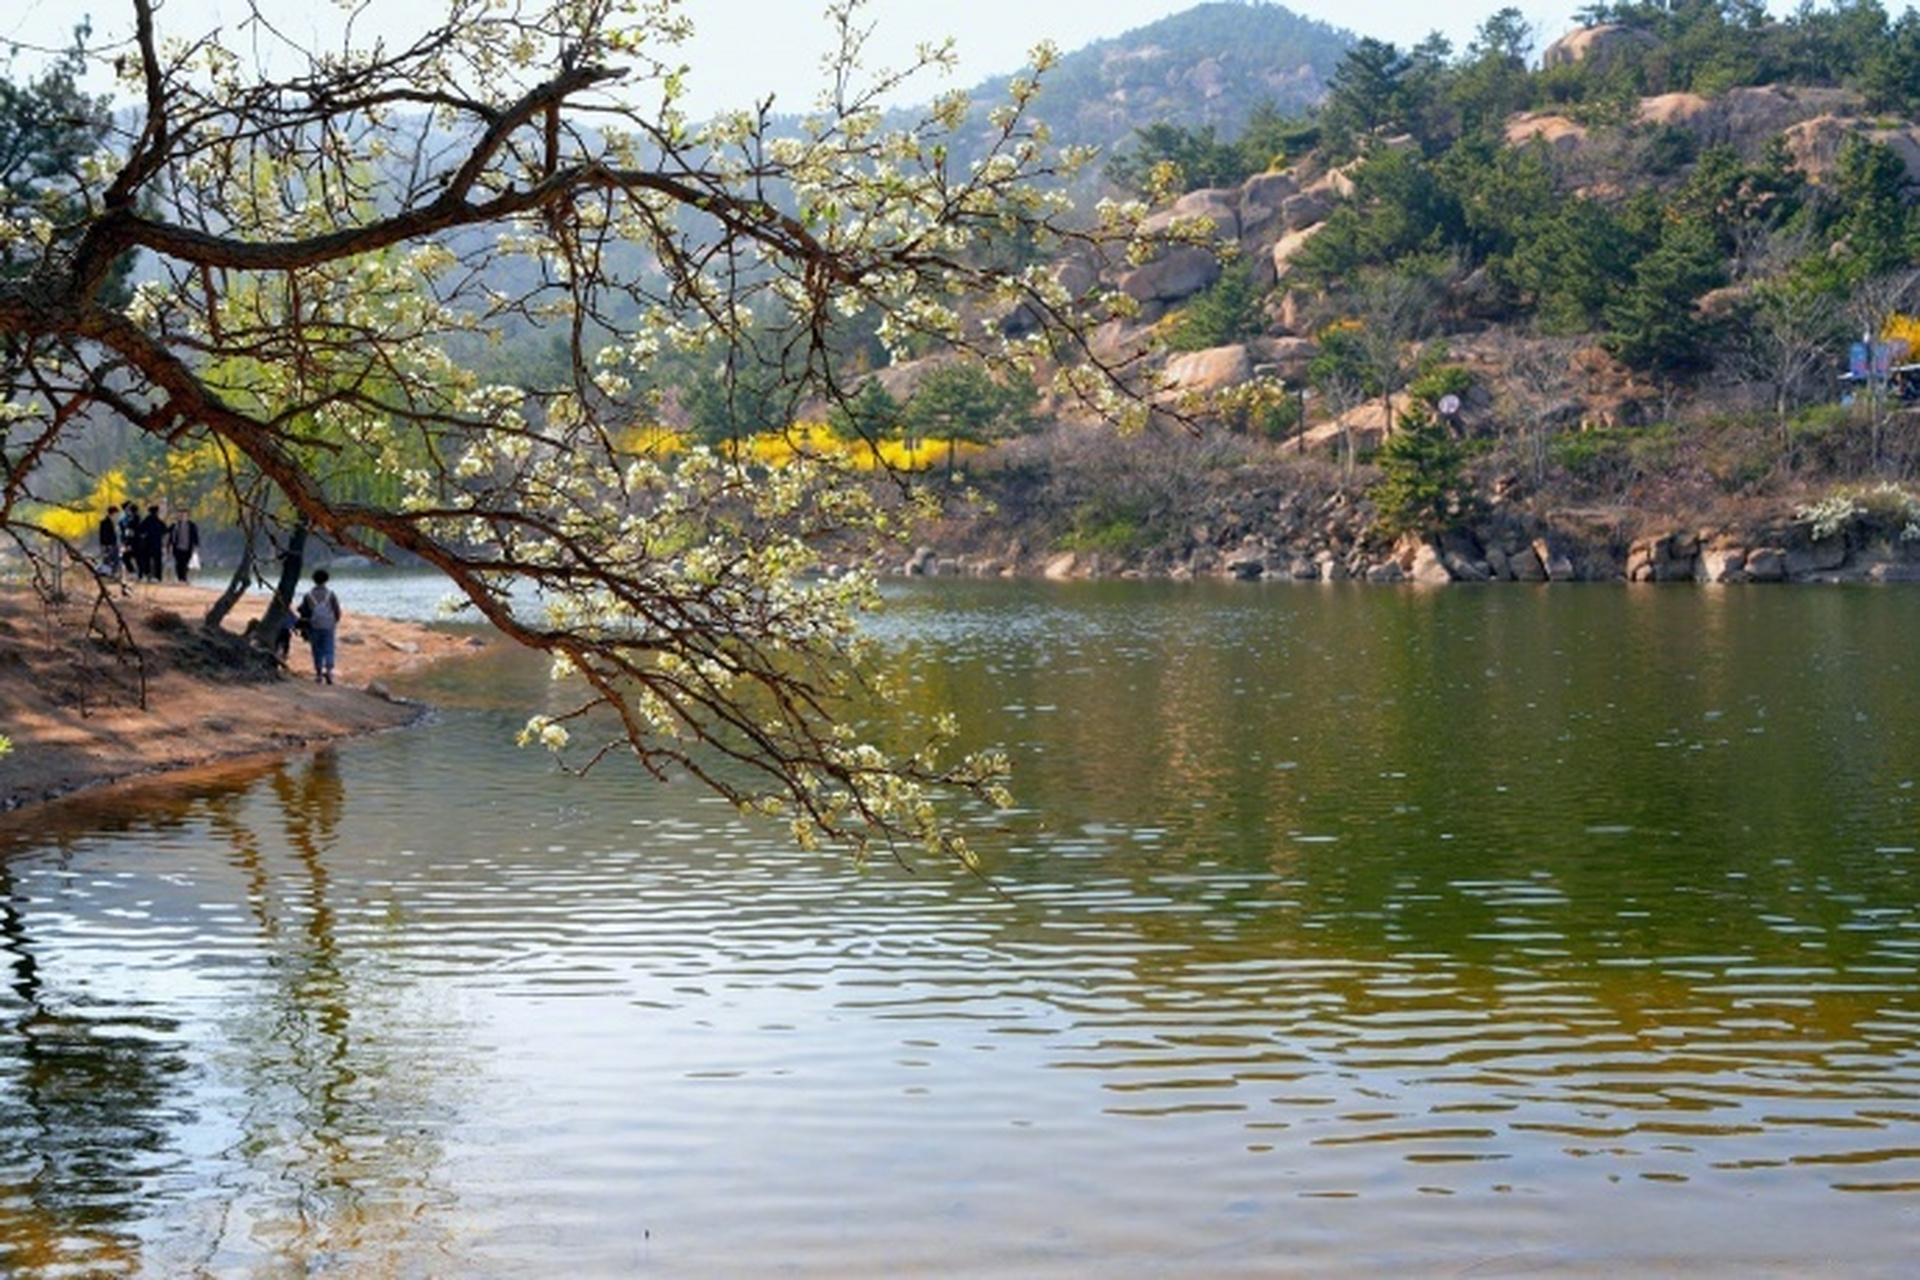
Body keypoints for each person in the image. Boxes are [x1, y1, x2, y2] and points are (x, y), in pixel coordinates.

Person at [298, 569, 344, 684]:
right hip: (328, 625)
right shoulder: (331, 594)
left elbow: (303, 610)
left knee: (316, 649)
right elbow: (337, 611)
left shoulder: (308, 595)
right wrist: (335, 621)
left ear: (313, 580)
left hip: (314, 625)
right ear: (326, 580)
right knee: (329, 648)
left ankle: (318, 674)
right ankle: (328, 671)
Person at [168, 511, 201, 583]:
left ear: (188, 516)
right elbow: (171, 535)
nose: (183, 517)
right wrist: (170, 545)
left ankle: (184, 577)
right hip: (177, 547)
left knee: (186, 563)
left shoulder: (192, 525)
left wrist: (196, 546)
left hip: (188, 547)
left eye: (185, 515)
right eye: (182, 515)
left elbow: (195, 536)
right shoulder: (176, 525)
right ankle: (180, 578)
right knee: (179, 563)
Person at [137, 504, 166, 581]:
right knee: (157, 561)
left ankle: (147, 574)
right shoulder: (158, 521)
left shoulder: (146, 520)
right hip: (157, 544)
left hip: (147, 544)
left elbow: (139, 530)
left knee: (147, 560)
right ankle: (158, 576)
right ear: (157, 512)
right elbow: (165, 530)